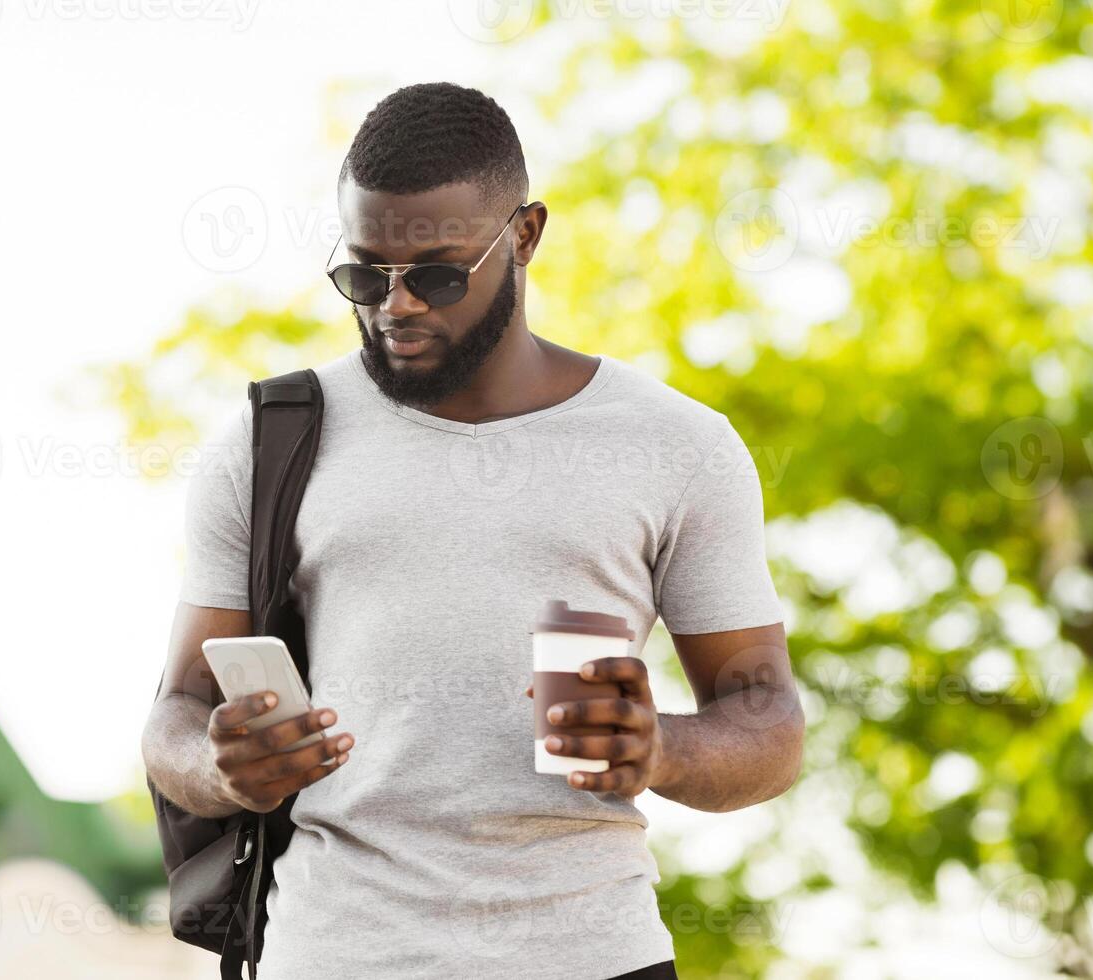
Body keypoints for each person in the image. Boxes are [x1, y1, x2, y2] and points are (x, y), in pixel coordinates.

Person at [141, 80, 803, 980]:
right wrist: (222, 770)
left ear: (524, 235)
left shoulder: (674, 445)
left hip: (593, 957)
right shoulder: (267, 443)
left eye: (437, 274)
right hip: (333, 957)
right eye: (364, 275)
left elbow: (767, 723)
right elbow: (174, 714)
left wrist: (664, 748)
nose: (396, 306)